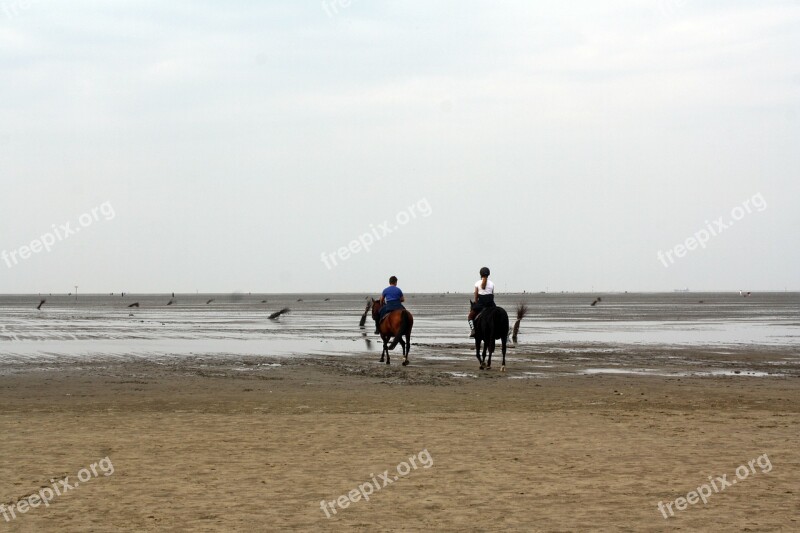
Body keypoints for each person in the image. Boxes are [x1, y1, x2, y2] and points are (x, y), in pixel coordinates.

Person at [469, 267, 496, 337]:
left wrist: (475, 303)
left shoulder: (477, 283)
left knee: (470, 316)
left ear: (481, 274)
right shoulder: (492, 284)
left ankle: (473, 330)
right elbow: (492, 295)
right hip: (491, 304)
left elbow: (476, 295)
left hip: (481, 304)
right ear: (488, 274)